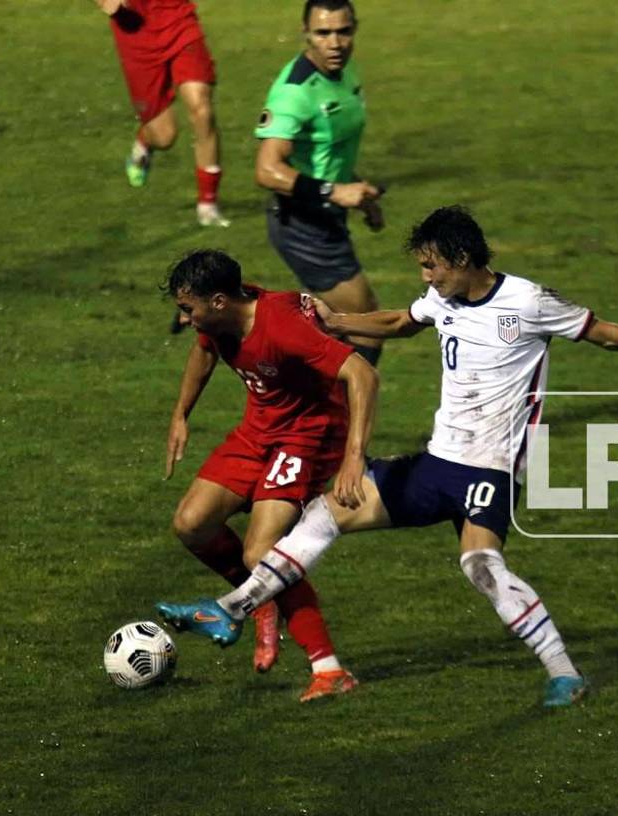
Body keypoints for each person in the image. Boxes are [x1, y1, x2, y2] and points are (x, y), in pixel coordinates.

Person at [157, 206, 618, 708]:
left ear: (462, 260)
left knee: (480, 567)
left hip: (490, 469)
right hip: (438, 462)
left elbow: (605, 332)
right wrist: (339, 321)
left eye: (430, 265)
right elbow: (398, 322)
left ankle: (564, 673)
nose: (424, 276)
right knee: (325, 513)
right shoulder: (442, 300)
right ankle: (231, 608)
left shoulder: (529, 301)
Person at [156, 249, 379, 702]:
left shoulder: (281, 327)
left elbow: (362, 374)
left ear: (218, 301)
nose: (184, 319)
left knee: (261, 550)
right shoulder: (219, 322)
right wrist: (181, 414)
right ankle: (259, 602)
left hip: (306, 435)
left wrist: (354, 456)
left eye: (187, 308)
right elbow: (204, 355)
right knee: (191, 524)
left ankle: (328, 668)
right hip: (257, 431)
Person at [253, 0, 385, 366]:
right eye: (323, 33)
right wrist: (335, 191)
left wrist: (359, 193)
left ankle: (299, 402)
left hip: (327, 214)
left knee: (334, 328)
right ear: (305, 34)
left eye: (343, 31)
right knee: (364, 324)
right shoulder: (295, 92)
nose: (335, 43)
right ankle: (341, 420)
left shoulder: (344, 71)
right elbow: (267, 170)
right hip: (301, 222)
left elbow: (330, 154)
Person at [96, 0, 230, 227]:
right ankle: (144, 140)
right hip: (135, 30)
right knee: (164, 136)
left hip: (177, 17)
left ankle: (208, 204)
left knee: (201, 107)